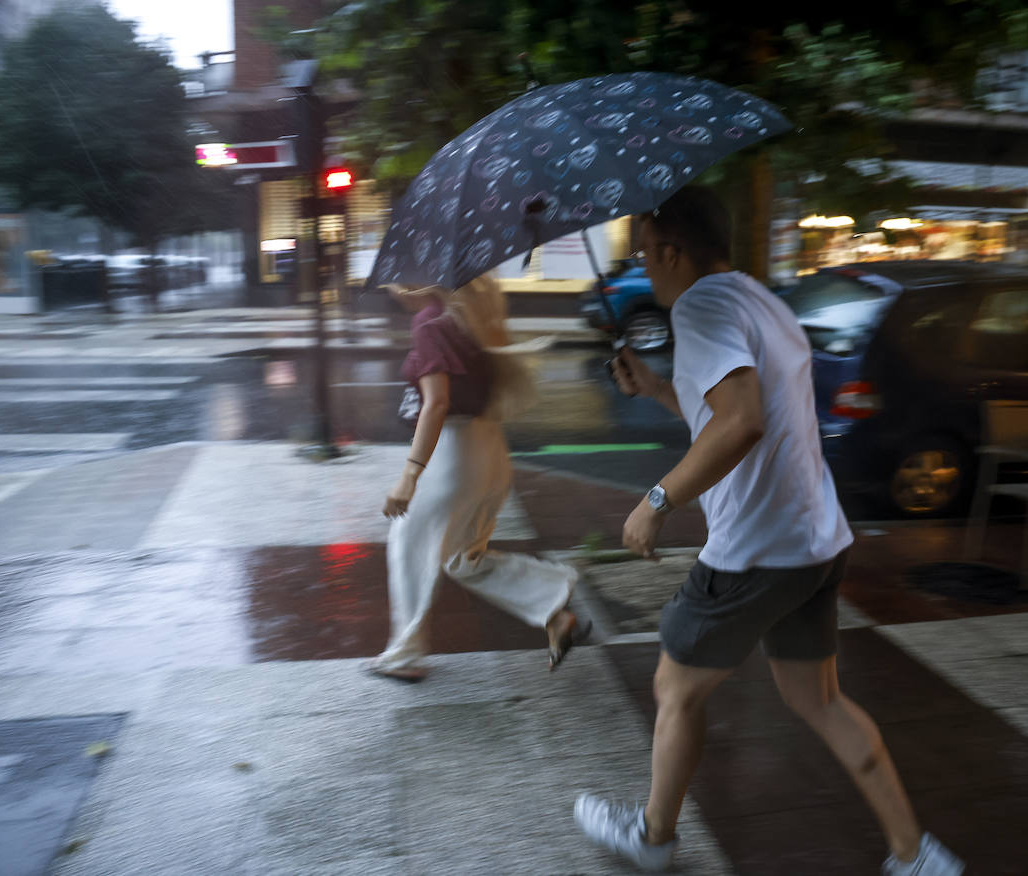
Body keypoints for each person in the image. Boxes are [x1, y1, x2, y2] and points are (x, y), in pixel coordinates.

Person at [573, 187, 963, 875]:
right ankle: (917, 855)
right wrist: (656, 389)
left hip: (753, 549)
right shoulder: (762, 299)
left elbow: (741, 421)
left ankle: (654, 837)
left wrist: (657, 500)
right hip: (813, 540)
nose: (643, 266)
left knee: (675, 688)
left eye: (644, 252)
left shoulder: (700, 307)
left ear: (672, 251)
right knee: (819, 698)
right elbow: (740, 411)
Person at [371, 274, 587, 683]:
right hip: (487, 448)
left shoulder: (429, 324)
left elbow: (436, 404)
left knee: (408, 544)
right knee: (461, 558)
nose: (389, 288)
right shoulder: (468, 318)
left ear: (414, 280)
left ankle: (404, 656)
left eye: (394, 279)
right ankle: (553, 608)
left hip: (452, 453)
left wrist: (409, 477)